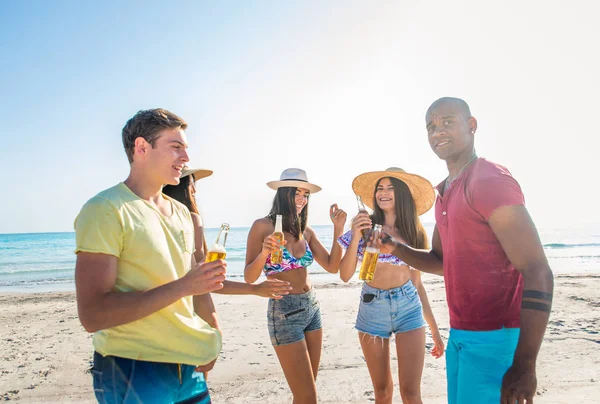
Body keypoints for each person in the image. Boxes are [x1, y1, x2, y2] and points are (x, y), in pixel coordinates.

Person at [378, 97, 554, 404]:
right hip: (460, 335)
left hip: (497, 339)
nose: (438, 132)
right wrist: (395, 247)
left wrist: (526, 364)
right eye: (431, 126)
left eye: (448, 122)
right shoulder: (444, 191)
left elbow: (538, 270)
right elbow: (440, 261)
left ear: (471, 126)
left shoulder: (489, 180)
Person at [74, 108, 226, 404]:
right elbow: (92, 315)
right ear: (142, 147)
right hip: (133, 367)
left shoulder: (182, 212)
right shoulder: (105, 209)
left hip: (188, 364)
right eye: (176, 147)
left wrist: (211, 339)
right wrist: (185, 285)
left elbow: (195, 292)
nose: (186, 158)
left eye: (186, 148)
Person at [338, 167, 444, 404]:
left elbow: (417, 284)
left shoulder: (413, 233)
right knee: (383, 391)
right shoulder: (365, 227)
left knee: (411, 393)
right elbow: (345, 275)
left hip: (409, 307)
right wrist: (356, 234)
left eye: (391, 188)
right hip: (372, 306)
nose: (383, 193)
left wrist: (434, 329)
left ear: (402, 194)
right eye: (380, 188)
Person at [244, 168, 347, 404]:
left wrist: (338, 229)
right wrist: (264, 252)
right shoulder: (262, 226)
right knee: (307, 396)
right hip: (284, 313)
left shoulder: (306, 232)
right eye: (296, 193)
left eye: (305, 194)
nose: (302, 199)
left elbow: (332, 266)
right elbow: (250, 277)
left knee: (306, 391)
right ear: (283, 194)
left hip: (312, 309)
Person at [162, 167, 293, 299]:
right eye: (191, 185)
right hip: (186, 307)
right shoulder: (192, 219)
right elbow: (206, 280)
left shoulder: (156, 221)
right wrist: (254, 289)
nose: (194, 190)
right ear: (179, 188)